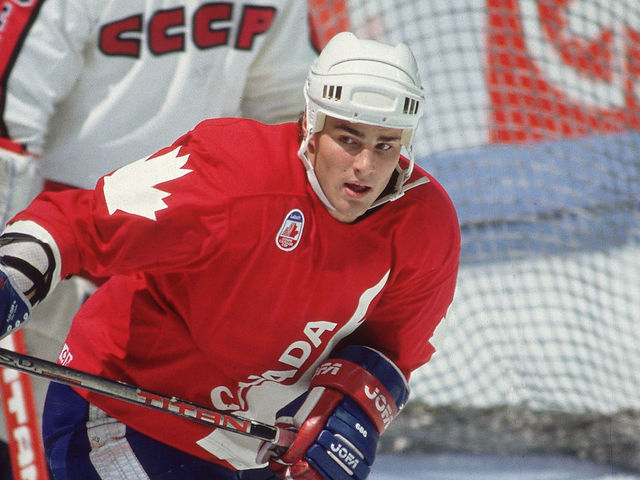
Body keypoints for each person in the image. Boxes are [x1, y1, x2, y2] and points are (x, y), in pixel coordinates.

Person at [0, 31, 460, 479]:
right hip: (121, 410)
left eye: (385, 144)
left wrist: (349, 412)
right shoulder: (232, 174)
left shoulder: (425, 227)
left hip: (252, 447)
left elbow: (391, 350)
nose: (366, 165)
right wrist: (12, 277)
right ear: (312, 127)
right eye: (349, 138)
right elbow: (78, 225)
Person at [0, 0, 316, 476]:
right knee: (33, 447)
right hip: (65, 256)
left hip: (194, 267)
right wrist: (16, 262)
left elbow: (289, 114)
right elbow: (10, 125)